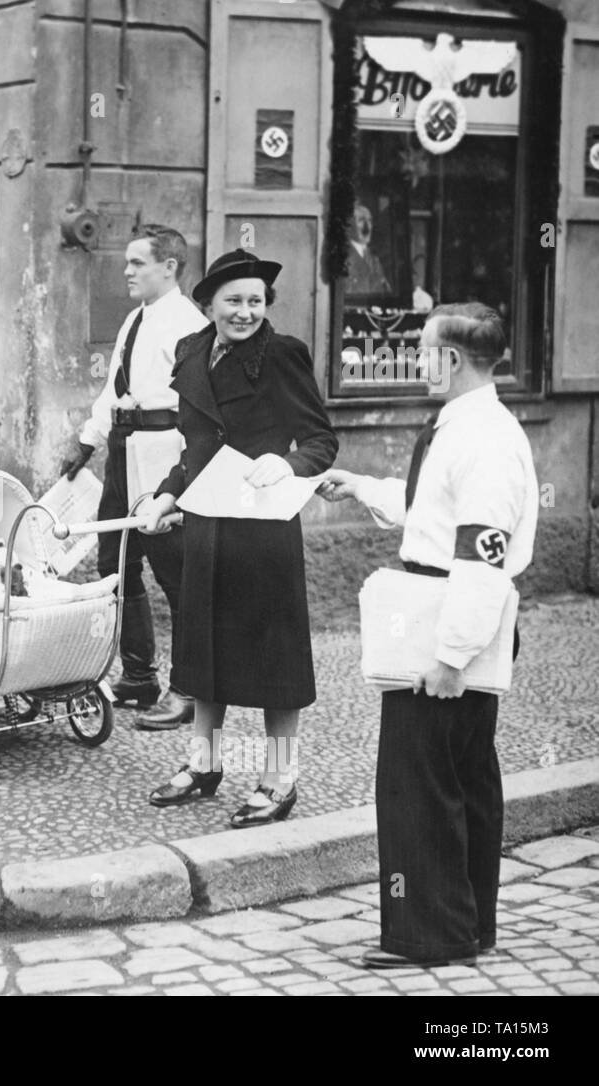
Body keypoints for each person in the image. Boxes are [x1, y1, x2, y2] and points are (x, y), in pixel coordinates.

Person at [317, 302, 537, 969]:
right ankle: (468, 925)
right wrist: (362, 487)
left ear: (450, 359)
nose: (416, 359)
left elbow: (480, 558)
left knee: (419, 785)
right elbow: (433, 513)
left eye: (422, 349)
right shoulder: (469, 428)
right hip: (448, 611)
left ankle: (431, 936)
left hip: (452, 621)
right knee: (463, 778)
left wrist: (449, 657)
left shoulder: (486, 439)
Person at [139, 248, 338, 827]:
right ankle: (204, 764)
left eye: (255, 301)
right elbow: (194, 447)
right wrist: (165, 494)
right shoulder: (192, 351)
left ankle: (280, 778)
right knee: (204, 648)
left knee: (276, 660)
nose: (246, 312)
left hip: (264, 525)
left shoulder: (282, 355)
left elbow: (321, 441)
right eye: (234, 301)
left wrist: (291, 465)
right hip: (207, 522)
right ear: (209, 305)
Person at [58, 224, 209, 729]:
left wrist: (181, 482)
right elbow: (114, 390)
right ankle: (139, 675)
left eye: (137, 263)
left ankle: (187, 688)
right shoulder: (134, 320)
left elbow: (197, 410)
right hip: (123, 451)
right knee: (115, 565)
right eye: (126, 262)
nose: (126, 271)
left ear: (169, 267)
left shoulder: (190, 326)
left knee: (174, 572)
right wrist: (87, 443)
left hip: (164, 455)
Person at [346, 202, 391, 297]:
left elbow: (385, 291)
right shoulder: (344, 256)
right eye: (361, 220)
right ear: (350, 225)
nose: (367, 227)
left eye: (370, 221)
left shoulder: (374, 259)